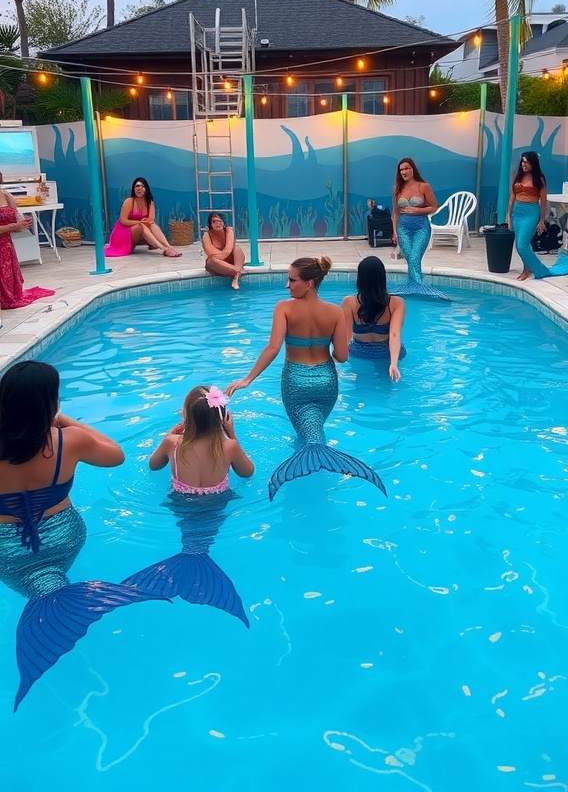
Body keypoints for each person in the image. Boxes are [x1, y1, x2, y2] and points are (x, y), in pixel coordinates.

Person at [0, 361, 159, 709]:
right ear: (51, 403)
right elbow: (116, 455)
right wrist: (66, 422)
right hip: (64, 539)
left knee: (36, 597)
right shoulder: (67, 441)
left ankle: (49, 628)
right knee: (54, 596)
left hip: (7, 552)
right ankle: (61, 618)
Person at [226, 256, 387, 500]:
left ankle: (308, 477)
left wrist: (248, 379)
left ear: (309, 283)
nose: (287, 285)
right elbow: (342, 356)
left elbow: (272, 348)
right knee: (314, 428)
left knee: (307, 434)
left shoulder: (284, 308)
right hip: (326, 382)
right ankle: (317, 469)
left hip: (296, 382)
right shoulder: (334, 312)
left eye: (292, 280)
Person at [123, 385, 254, 626]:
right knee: (205, 535)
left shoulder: (173, 443)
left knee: (191, 537)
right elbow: (248, 473)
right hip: (217, 504)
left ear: (187, 417)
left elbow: (153, 466)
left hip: (181, 503)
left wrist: (167, 436)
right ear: (222, 418)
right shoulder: (229, 447)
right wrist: (232, 435)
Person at [506, 151, 568, 281]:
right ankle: (526, 270)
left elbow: (543, 202)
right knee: (520, 245)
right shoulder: (517, 176)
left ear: (533, 163)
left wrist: (542, 221)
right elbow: (511, 198)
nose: (523, 164)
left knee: (522, 245)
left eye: (526, 162)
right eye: (522, 161)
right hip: (517, 211)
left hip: (531, 212)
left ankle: (539, 270)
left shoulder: (539, 179)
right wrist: (508, 216)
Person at [392, 158, 449, 299]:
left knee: (414, 257)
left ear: (413, 169)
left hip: (421, 228)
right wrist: (394, 232)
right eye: (401, 170)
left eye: (406, 168)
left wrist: (417, 211)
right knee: (410, 259)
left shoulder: (424, 186)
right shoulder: (397, 189)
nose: (403, 172)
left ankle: (418, 289)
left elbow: (434, 207)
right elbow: (395, 213)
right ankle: (416, 289)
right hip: (403, 229)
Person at [342, 256, 406, 381]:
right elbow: (394, 335)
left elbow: (345, 336)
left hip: (360, 353)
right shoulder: (396, 303)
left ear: (360, 279)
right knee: (386, 390)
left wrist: (336, 359)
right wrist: (393, 364)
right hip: (386, 353)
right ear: (382, 278)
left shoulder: (349, 302)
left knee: (360, 388)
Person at [0, 173, 55, 309]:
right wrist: (15, 226)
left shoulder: (6, 196)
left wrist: (22, 223)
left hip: (7, 244)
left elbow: (15, 221)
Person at [105, 177, 182, 258]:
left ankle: (169, 247)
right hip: (123, 233)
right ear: (133, 189)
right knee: (142, 226)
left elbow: (151, 219)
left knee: (151, 224)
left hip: (139, 230)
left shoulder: (149, 202)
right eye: (137, 186)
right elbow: (123, 221)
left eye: (142, 186)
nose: (139, 189)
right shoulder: (129, 202)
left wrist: (146, 221)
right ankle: (164, 249)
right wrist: (140, 222)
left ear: (146, 189)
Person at [202, 212, 245, 289]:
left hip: (229, 260)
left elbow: (228, 250)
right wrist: (219, 258)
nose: (217, 224)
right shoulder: (207, 235)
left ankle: (236, 274)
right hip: (217, 263)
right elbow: (210, 252)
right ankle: (237, 273)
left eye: (220, 221)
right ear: (210, 224)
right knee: (211, 261)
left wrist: (221, 256)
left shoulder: (229, 230)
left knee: (236, 248)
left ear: (224, 222)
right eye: (214, 222)